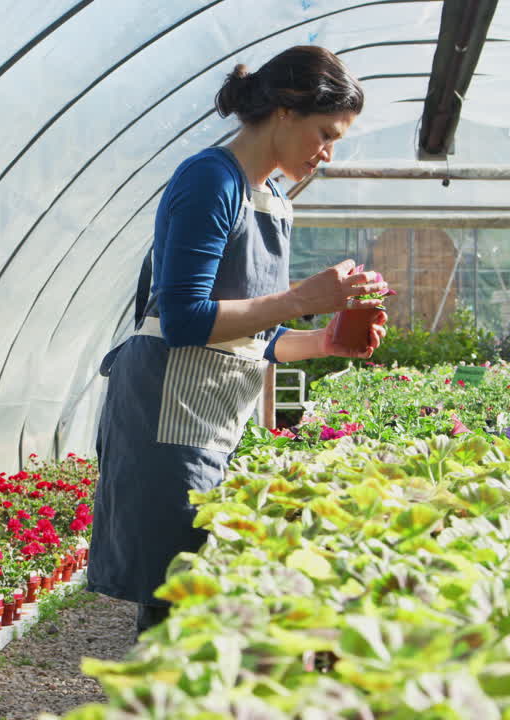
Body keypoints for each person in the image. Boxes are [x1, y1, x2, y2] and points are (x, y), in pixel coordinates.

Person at [86, 46, 389, 637]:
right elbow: (185, 318)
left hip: (213, 412)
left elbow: (262, 335)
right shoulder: (210, 179)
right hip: (168, 413)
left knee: (201, 592)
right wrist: (304, 298)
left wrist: (326, 342)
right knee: (176, 596)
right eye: (325, 134)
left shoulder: (274, 199)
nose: (327, 153)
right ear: (284, 110)